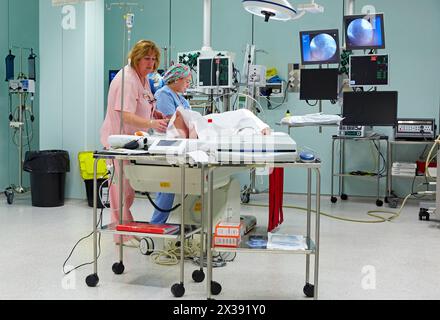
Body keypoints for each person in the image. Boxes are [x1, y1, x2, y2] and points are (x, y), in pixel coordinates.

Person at [100, 40, 169, 242]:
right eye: (147, 58)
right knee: (120, 194)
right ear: (137, 58)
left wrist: (153, 112)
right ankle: (123, 237)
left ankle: (128, 231)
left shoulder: (142, 78)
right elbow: (125, 115)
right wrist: (151, 123)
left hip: (133, 142)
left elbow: (144, 100)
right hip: (118, 143)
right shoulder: (127, 80)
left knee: (128, 193)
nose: (151, 63)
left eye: (154, 59)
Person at [149, 64, 192, 224]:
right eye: (186, 81)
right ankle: (156, 226)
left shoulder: (179, 97)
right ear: (177, 80)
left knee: (173, 187)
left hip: (180, 145)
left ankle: (178, 226)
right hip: (168, 145)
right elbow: (170, 121)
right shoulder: (164, 94)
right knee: (167, 189)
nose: (188, 84)